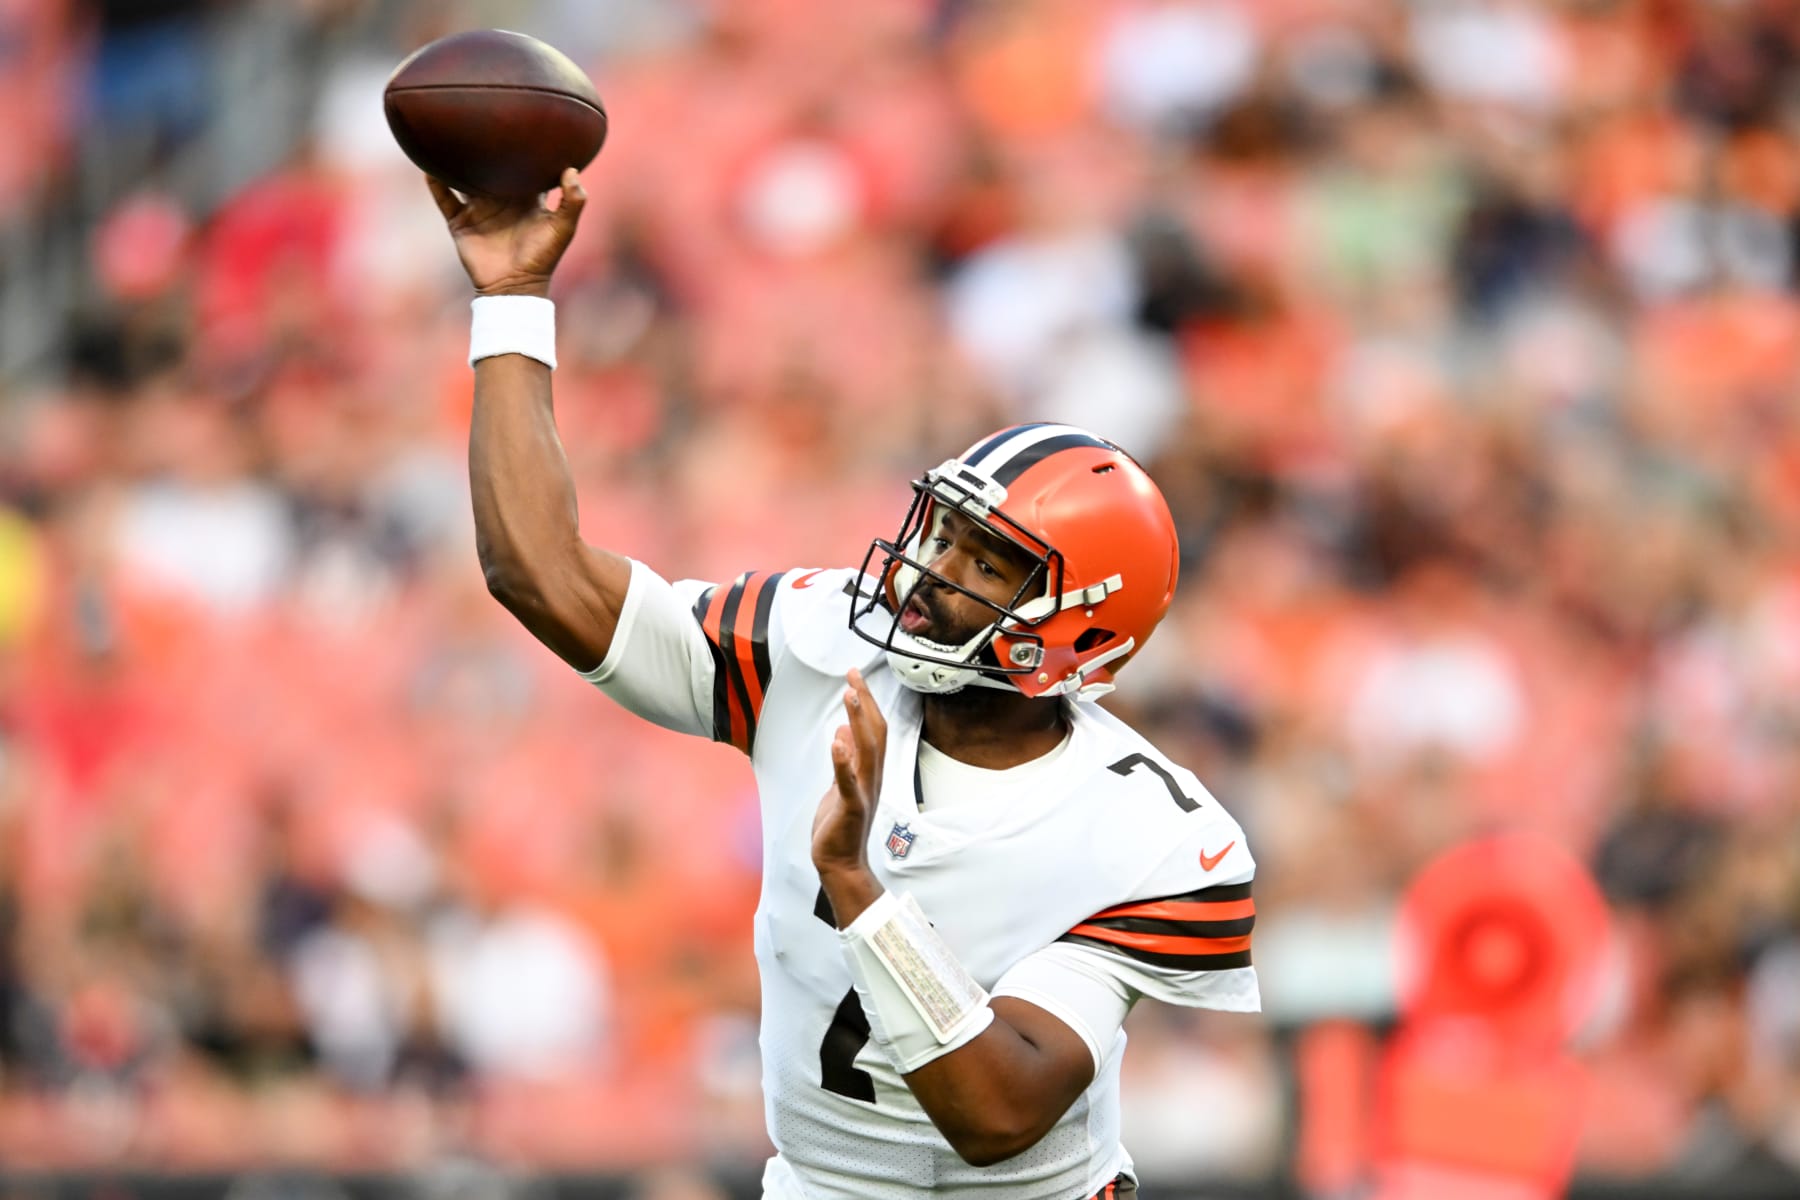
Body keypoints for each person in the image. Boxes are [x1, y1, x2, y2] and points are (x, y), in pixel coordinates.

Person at [427, 168, 1259, 1200]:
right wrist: (513, 300)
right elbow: (537, 571)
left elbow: (999, 1116)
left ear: (1078, 630)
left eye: (984, 563)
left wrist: (861, 892)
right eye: (942, 531)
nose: (929, 568)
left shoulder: (1153, 834)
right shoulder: (813, 646)